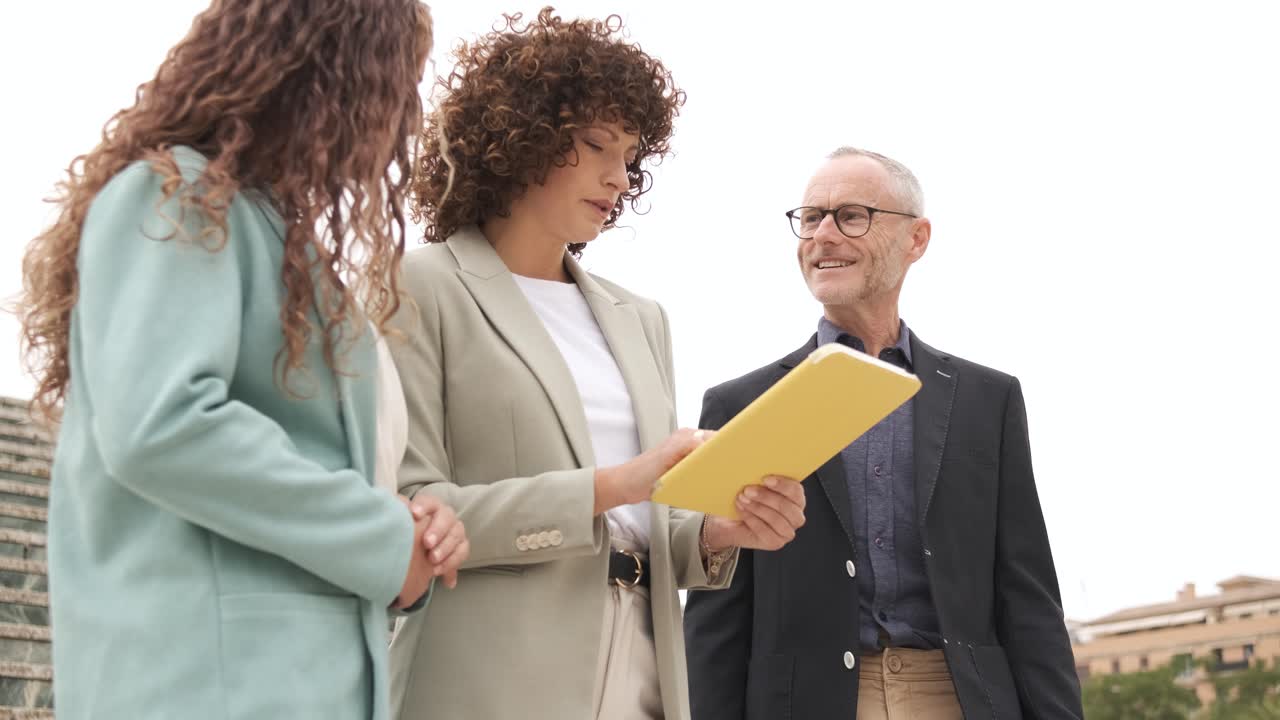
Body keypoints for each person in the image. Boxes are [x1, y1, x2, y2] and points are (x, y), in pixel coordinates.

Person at [14, 2, 466, 718]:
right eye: (396, 81)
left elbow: (304, 460)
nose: (406, 118)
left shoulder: (281, 243)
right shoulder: (178, 194)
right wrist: (383, 540)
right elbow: (163, 424)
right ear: (333, 73)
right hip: (205, 687)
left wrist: (411, 526)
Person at [384, 9, 807, 720]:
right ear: (518, 137)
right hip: (492, 673)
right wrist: (613, 484)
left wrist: (717, 531)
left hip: (644, 665)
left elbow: (646, 522)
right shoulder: (420, 285)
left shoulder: (640, 318)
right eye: (595, 146)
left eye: (631, 157)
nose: (619, 178)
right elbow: (414, 511)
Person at [683, 147, 1083, 720]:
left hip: (961, 698)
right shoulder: (740, 405)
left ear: (916, 239)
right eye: (811, 217)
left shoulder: (987, 399)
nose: (823, 235)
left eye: (852, 216)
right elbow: (716, 616)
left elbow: (1030, 597)